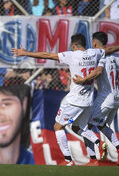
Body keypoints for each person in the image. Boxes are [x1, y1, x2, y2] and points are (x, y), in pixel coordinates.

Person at [12, 33, 106, 165]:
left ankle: (68, 161)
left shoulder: (72, 55)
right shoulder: (95, 53)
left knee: (58, 126)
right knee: (80, 128)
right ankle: (94, 158)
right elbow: (104, 52)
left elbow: (47, 55)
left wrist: (25, 52)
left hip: (74, 100)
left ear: (74, 46)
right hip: (89, 100)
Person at [73, 32, 119, 166]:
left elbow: (96, 71)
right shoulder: (116, 58)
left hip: (104, 98)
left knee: (84, 127)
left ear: (94, 43)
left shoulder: (97, 55)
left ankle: (93, 159)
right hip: (116, 97)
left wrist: (83, 79)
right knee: (101, 125)